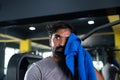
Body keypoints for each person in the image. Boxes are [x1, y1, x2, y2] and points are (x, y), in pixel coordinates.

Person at [24, 21, 103, 80]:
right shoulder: (37, 69)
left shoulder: (78, 64)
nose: (62, 43)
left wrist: (82, 57)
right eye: (57, 37)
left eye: (68, 39)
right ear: (50, 41)